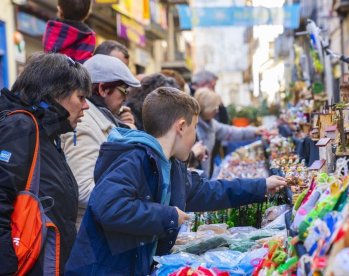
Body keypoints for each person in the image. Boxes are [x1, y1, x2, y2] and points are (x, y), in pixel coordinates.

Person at [64, 87, 287, 275]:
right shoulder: (133, 157)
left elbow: (206, 192)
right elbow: (109, 207)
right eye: (194, 130)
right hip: (101, 268)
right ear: (180, 127)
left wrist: (260, 186)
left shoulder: (170, 163)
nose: (195, 139)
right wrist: (168, 216)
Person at [0, 53, 91, 275]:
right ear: (56, 94)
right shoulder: (21, 127)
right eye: (81, 97)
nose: (86, 106)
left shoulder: (45, 132)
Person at [61, 54, 140, 227]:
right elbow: (83, 190)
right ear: (103, 89)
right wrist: (129, 198)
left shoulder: (102, 119)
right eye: (124, 90)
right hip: (88, 233)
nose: (126, 98)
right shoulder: (84, 124)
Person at [195, 88, 263, 177]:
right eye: (214, 107)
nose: (217, 110)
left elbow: (231, 132)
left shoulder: (212, 124)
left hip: (206, 176)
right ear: (205, 107)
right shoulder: (194, 126)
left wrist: (254, 131)